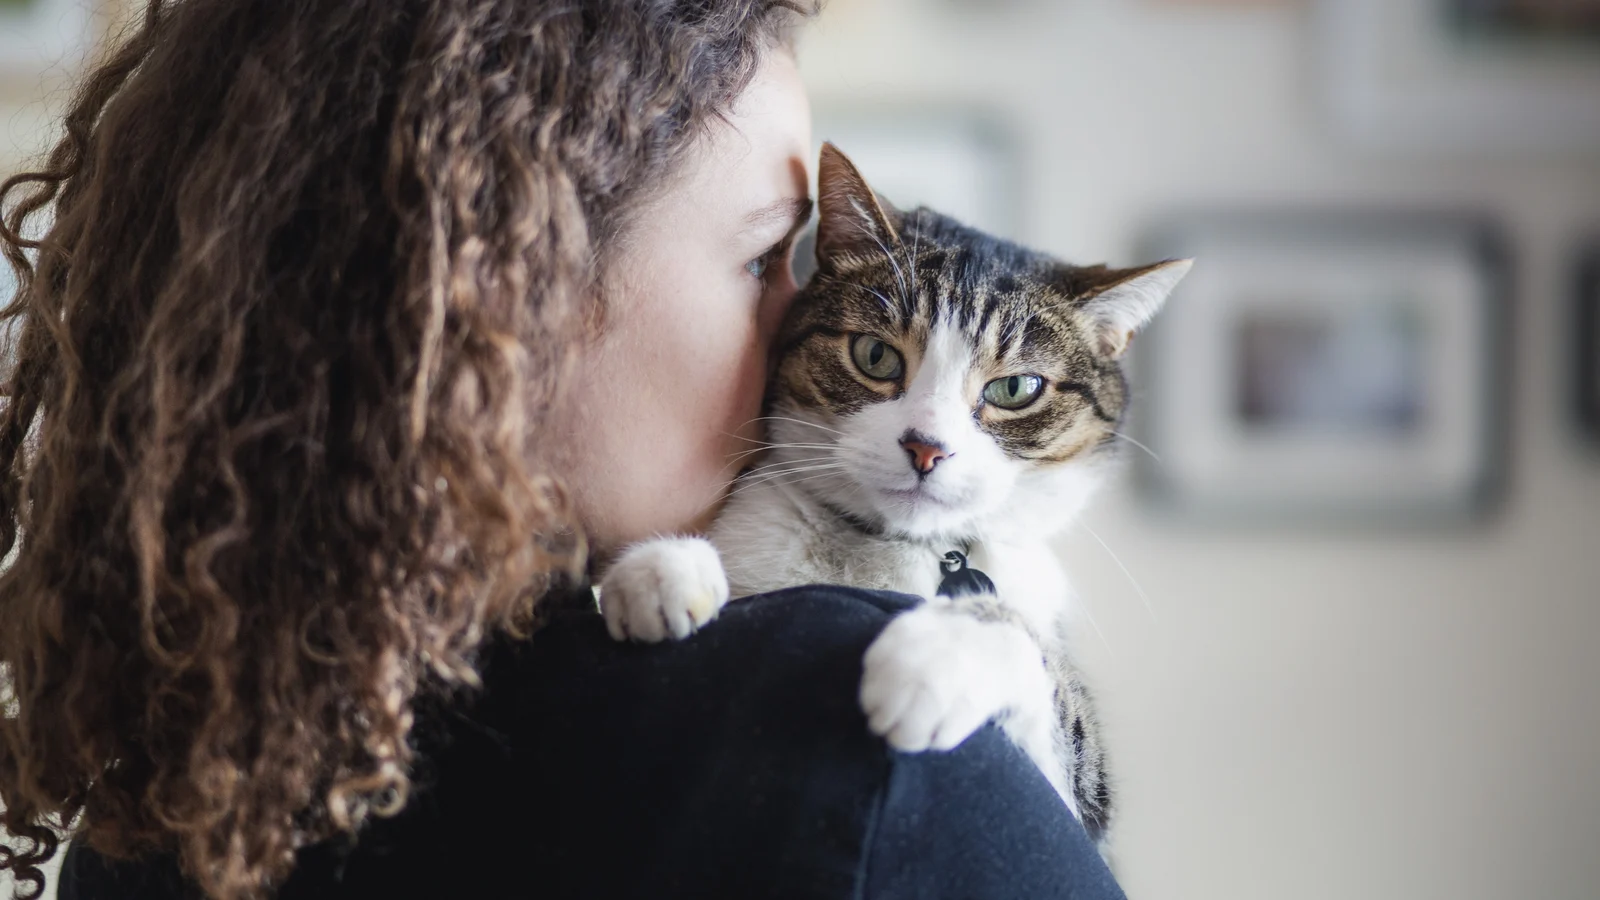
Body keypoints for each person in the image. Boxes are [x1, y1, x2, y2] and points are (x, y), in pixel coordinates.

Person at [0, 1, 1127, 898]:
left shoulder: (171, 790)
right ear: (510, 303)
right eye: (766, 265)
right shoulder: (870, 745)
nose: (805, 325)